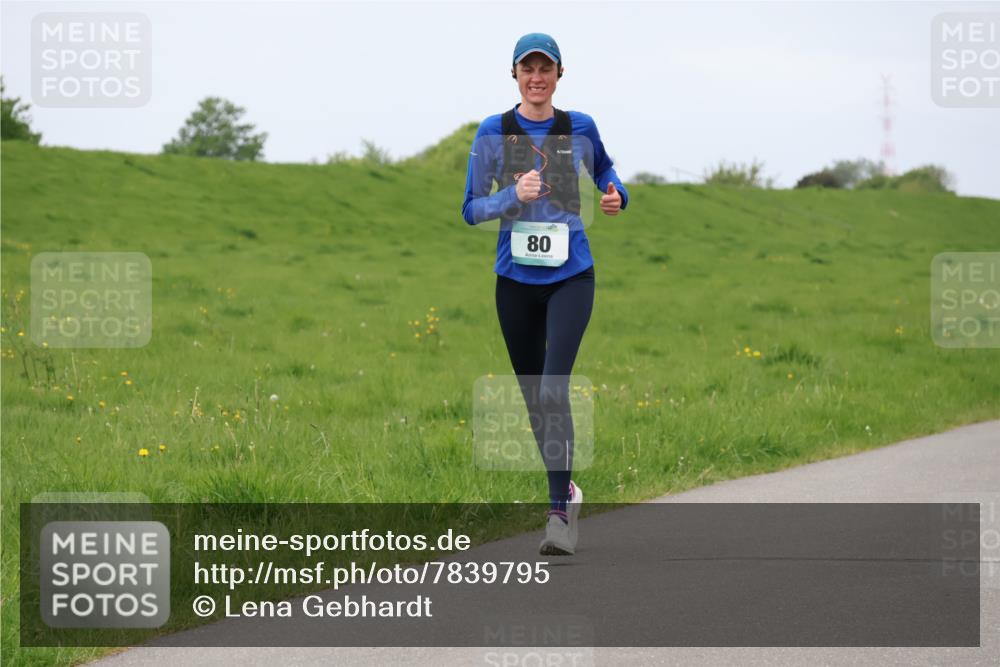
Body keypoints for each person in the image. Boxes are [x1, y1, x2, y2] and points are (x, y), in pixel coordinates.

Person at [461, 33, 629, 555]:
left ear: (560, 74)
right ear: (513, 74)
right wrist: (513, 195)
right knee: (536, 399)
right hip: (514, 280)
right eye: (527, 68)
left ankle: (559, 513)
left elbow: (606, 169)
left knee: (555, 390)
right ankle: (567, 490)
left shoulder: (579, 126)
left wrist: (618, 194)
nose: (537, 77)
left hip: (570, 273)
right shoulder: (494, 131)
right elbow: (471, 208)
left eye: (546, 68)